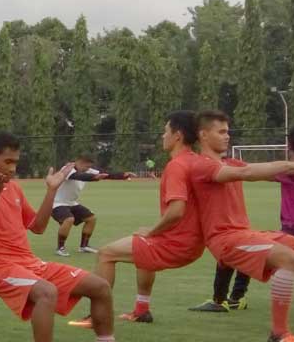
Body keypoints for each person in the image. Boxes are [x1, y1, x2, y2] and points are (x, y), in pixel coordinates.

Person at [0, 132, 148, 342]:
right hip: (2, 266)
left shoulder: (13, 187)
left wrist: (52, 190)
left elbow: (37, 227)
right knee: (46, 292)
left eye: (16, 162)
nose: (13, 168)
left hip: (30, 262)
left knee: (100, 287)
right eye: (8, 162)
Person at [186, 111, 294, 342]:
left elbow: (272, 170)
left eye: (228, 131)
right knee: (288, 258)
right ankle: (279, 333)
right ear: (203, 134)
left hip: (244, 232)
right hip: (224, 239)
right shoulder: (201, 165)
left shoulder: (229, 163)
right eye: (221, 131)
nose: (227, 136)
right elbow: (247, 173)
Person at [84, 111, 204, 325]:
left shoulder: (177, 165)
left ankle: (98, 317)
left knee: (105, 254)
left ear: (177, 135)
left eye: (165, 131)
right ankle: (141, 310)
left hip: (178, 243)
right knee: (143, 249)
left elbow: (176, 210)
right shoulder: (196, 161)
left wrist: (152, 231)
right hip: (193, 243)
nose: (162, 136)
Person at [190, 126, 294, 313]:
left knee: (246, 252)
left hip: (293, 229)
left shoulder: (290, 173)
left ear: (290, 145)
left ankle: (230, 298)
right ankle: (233, 298)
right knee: (248, 247)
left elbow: (257, 172)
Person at [51, 154, 105, 256]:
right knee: (69, 219)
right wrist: (94, 177)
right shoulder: (67, 168)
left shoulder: (87, 171)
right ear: (79, 162)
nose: (88, 169)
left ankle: (84, 246)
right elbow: (77, 176)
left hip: (72, 203)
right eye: (86, 166)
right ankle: (60, 248)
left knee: (91, 218)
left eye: (89, 167)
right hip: (57, 203)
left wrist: (122, 175)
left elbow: (105, 174)